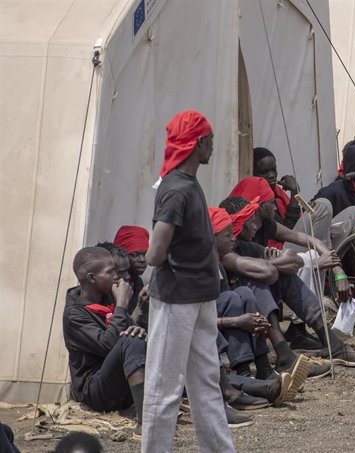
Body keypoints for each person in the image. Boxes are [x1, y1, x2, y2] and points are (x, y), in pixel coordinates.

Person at [142, 110, 235, 453]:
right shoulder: (177, 190)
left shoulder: (184, 184)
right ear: (198, 144)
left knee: (206, 383)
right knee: (164, 388)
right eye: (209, 139)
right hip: (178, 297)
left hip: (197, 296)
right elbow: (154, 253)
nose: (213, 144)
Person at [221, 196, 355, 370]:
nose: (255, 225)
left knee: (285, 277)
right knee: (259, 283)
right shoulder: (227, 254)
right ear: (240, 225)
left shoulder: (248, 246)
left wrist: (270, 264)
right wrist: (272, 264)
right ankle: (284, 356)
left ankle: (331, 343)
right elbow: (269, 273)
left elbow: (296, 262)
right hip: (234, 314)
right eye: (250, 222)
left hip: (255, 307)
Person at [208, 207, 307, 408]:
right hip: (205, 333)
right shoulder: (200, 264)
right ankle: (247, 376)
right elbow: (196, 317)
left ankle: (263, 367)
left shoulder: (216, 260)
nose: (232, 239)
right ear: (211, 236)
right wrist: (237, 321)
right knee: (231, 298)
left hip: (217, 322)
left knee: (243, 294)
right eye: (226, 235)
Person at [62, 247, 145, 438]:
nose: (117, 276)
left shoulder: (109, 297)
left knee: (141, 337)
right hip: (95, 391)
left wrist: (137, 327)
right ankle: (145, 421)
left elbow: (125, 332)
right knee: (130, 341)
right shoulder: (74, 314)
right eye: (110, 272)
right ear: (92, 278)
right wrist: (122, 305)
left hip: (120, 385)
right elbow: (108, 344)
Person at [113, 225, 150, 327]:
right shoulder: (113, 284)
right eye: (134, 254)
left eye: (145, 254)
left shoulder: (137, 281)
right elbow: (117, 332)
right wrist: (139, 308)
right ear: (122, 256)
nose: (142, 260)